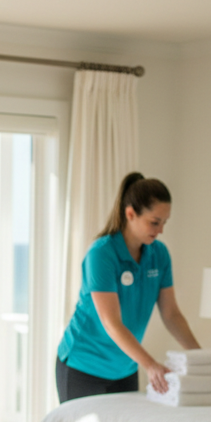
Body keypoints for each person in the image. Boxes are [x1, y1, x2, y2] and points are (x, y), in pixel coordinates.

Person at [56, 171, 200, 403]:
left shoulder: (159, 255)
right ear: (130, 214)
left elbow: (171, 314)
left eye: (164, 222)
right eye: (154, 222)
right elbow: (111, 323)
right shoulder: (101, 254)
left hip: (125, 368)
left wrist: (200, 358)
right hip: (83, 367)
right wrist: (150, 365)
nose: (161, 230)